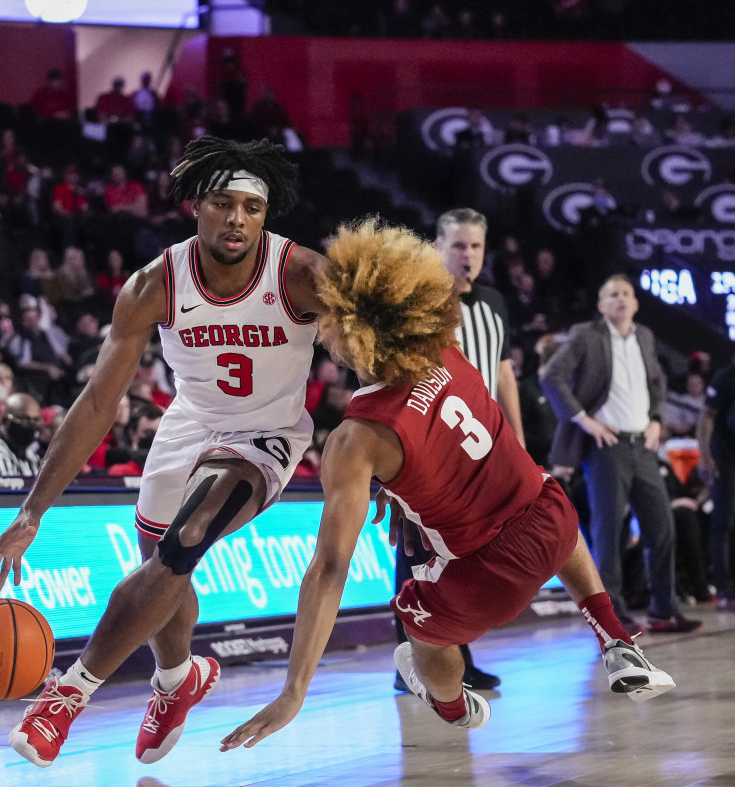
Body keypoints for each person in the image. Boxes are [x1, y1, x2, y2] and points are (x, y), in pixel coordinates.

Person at [219, 220, 676, 752]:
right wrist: (399, 487)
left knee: (415, 623)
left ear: (349, 334)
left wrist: (294, 690)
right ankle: (615, 638)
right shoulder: (448, 351)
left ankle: (455, 707)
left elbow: (329, 568)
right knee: (543, 494)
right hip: (554, 524)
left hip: (491, 575)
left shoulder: (356, 440)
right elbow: (433, 430)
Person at [0, 137, 323, 767]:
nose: (237, 219)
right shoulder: (153, 284)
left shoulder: (301, 273)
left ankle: (67, 695)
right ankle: (177, 681)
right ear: (196, 205)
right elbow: (96, 404)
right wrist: (33, 511)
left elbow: (370, 359)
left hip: (267, 431)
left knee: (184, 540)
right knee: (164, 568)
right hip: (190, 423)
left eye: (252, 207)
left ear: (266, 214)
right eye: (224, 203)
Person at [388, 208, 524, 692]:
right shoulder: (418, 301)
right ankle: (411, 663)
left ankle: (458, 656)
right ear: (438, 247)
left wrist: (517, 441)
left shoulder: (493, 303)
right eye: (459, 246)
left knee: (463, 558)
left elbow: (503, 372)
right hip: (430, 449)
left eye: (476, 247)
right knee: (418, 555)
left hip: (482, 447)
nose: (468, 255)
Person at [540, 275, 701, 633]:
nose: (621, 300)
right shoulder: (587, 334)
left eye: (626, 294)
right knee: (608, 529)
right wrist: (584, 420)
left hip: (643, 444)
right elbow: (552, 377)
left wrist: (657, 419)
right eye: (612, 294)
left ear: (636, 302)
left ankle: (663, 609)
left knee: (662, 526)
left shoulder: (643, 335)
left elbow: (656, 381)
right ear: (601, 305)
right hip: (606, 448)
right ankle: (611, 613)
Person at [692, 358, 735, 611]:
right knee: (724, 521)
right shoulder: (725, 377)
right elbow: (706, 418)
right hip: (726, 458)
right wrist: (706, 457)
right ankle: (723, 585)